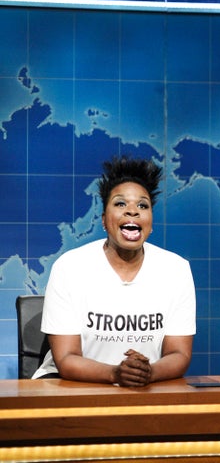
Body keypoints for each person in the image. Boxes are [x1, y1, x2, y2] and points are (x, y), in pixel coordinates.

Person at [32, 156, 196, 387]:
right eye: (120, 204)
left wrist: (148, 372)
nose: (132, 211)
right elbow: (67, 359)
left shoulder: (176, 269)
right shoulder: (69, 267)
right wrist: (115, 374)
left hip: (143, 387)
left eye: (143, 205)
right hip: (70, 385)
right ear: (103, 221)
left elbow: (179, 354)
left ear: (150, 223)